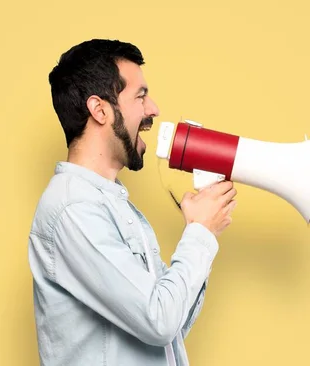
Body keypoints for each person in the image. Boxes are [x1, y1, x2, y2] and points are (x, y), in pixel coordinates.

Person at [27, 39, 238, 366]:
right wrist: (199, 233)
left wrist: (203, 231)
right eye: (140, 95)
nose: (153, 108)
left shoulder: (114, 206)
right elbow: (159, 321)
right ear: (99, 110)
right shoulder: (73, 209)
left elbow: (172, 326)